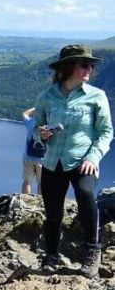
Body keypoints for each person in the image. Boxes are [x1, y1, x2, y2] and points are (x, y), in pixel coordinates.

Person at [34, 44, 112, 277]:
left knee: (86, 194)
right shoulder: (47, 97)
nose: (90, 69)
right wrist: (42, 134)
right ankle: (51, 256)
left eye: (91, 65)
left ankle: (92, 252)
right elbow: (37, 130)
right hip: (52, 162)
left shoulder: (96, 96)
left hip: (83, 161)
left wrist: (93, 157)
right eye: (84, 64)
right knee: (53, 213)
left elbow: (106, 132)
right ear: (69, 67)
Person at [21, 107, 44, 195]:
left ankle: (25, 199)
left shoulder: (31, 123)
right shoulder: (48, 126)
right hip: (43, 160)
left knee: (27, 181)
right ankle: (40, 201)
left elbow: (24, 114)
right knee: (41, 182)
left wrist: (35, 108)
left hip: (28, 157)